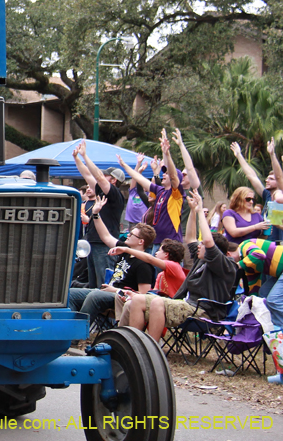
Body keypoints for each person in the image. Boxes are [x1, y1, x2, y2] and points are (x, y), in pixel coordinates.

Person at [122, 192, 237, 343]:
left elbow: (208, 240)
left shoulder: (224, 265)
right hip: (187, 305)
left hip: (204, 311)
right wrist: (194, 211)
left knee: (157, 302)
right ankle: (132, 345)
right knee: (137, 300)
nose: (199, 246)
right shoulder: (201, 260)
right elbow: (190, 238)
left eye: (202, 245)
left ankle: (151, 350)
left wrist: (202, 208)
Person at [68, 195, 156, 327]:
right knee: (70, 294)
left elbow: (143, 296)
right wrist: (96, 214)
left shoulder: (143, 264)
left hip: (119, 297)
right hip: (107, 291)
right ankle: (68, 329)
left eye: (132, 235)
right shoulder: (125, 250)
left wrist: (115, 291)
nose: (128, 235)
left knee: (94, 296)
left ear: (141, 241)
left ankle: (77, 334)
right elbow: (106, 236)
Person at [72, 141, 125, 288]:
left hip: (104, 244)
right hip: (94, 242)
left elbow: (99, 177)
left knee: (103, 283)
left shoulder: (115, 194)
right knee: (93, 283)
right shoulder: (102, 192)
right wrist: (77, 159)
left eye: (107, 175)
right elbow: (88, 175)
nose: (102, 176)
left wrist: (85, 156)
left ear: (114, 180)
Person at [117, 129, 185, 243]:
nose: (164, 175)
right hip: (157, 241)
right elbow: (140, 180)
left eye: (167, 174)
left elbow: (173, 176)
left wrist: (167, 154)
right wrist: (124, 166)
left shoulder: (176, 194)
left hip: (171, 241)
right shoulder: (160, 190)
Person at [230, 139, 283, 242]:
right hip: (267, 243)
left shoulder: (281, 196)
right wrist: (239, 155)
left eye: (271, 179)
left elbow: (279, 176)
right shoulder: (267, 195)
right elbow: (251, 176)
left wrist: (272, 155)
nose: (266, 180)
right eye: (267, 178)